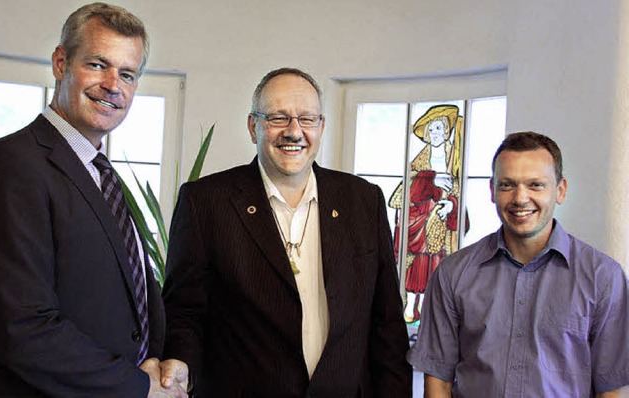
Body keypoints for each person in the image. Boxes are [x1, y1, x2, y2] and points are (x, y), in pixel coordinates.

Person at [162, 67, 412, 397]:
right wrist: (180, 364)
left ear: (321, 127)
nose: (294, 132)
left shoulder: (364, 201)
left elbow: (388, 327)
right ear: (254, 127)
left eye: (307, 119)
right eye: (278, 118)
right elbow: (184, 312)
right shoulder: (206, 202)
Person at [0, 3, 187, 396]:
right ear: (61, 63)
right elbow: (23, 328)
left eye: (127, 74)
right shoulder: (12, 164)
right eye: (98, 64)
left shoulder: (100, 173)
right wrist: (138, 386)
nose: (114, 84)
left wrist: (160, 366)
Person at [408, 131, 629, 397]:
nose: (520, 198)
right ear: (492, 190)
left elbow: (612, 389)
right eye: (507, 185)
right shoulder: (453, 274)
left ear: (560, 190)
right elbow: (438, 381)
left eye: (536, 185)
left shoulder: (603, 277)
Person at [388, 105, 464, 323]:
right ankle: (411, 304)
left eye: (439, 128)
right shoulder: (418, 163)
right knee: (417, 261)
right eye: (431, 130)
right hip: (419, 221)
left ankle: (435, 308)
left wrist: (451, 205)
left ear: (447, 131)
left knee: (438, 264)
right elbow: (405, 193)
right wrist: (429, 179)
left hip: (440, 222)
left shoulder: (454, 160)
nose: (435, 133)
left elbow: (458, 192)